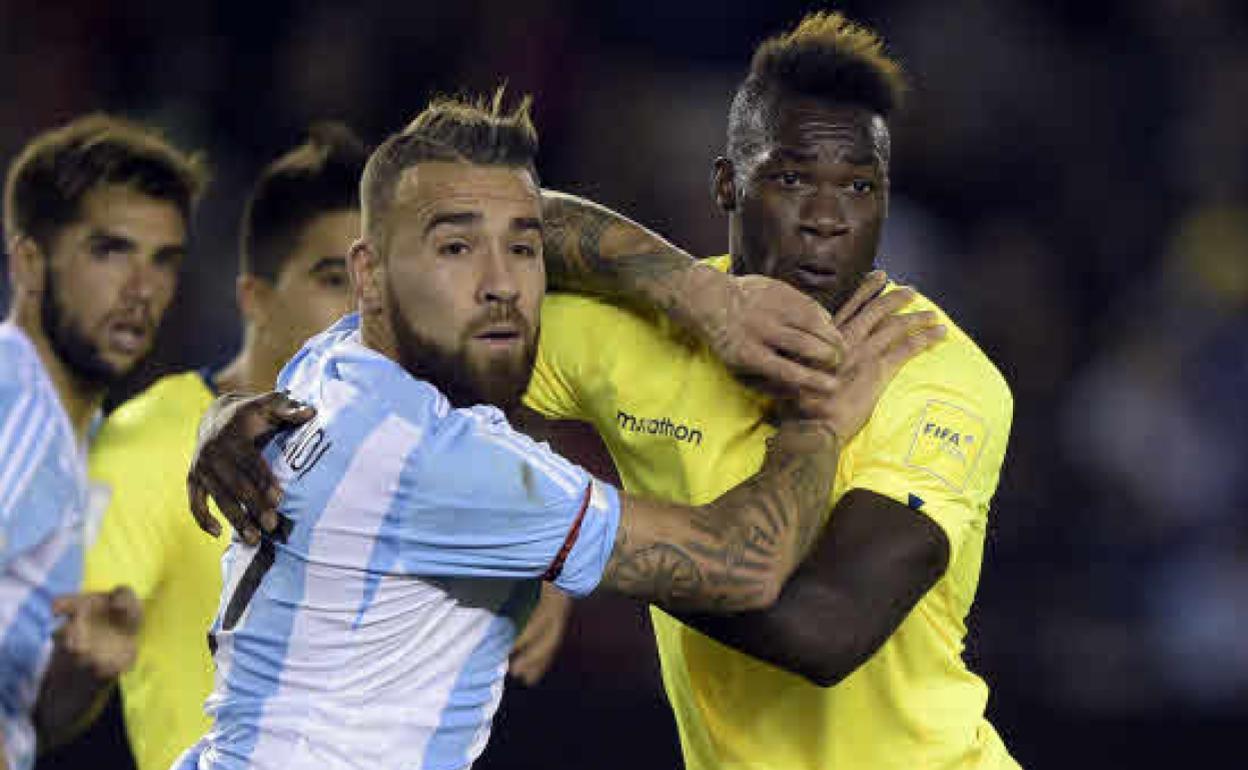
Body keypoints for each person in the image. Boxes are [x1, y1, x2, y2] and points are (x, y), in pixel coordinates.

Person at [177, 90, 938, 770]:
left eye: (522, 249)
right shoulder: (440, 460)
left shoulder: (332, 360)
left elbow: (536, 216)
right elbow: (745, 565)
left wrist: (711, 302)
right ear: (370, 275)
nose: (502, 283)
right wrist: (819, 417)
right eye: (455, 248)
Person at [80, 124, 367, 770]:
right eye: (332, 278)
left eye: (375, 280)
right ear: (255, 300)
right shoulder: (150, 443)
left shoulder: (403, 441)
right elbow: (49, 648)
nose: (364, 311)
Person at [0, 114, 205, 770]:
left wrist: (86, 669)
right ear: (29, 263)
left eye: (163, 260)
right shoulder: (12, 403)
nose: (142, 290)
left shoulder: (82, 436)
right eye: (110, 250)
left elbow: (26, 722)